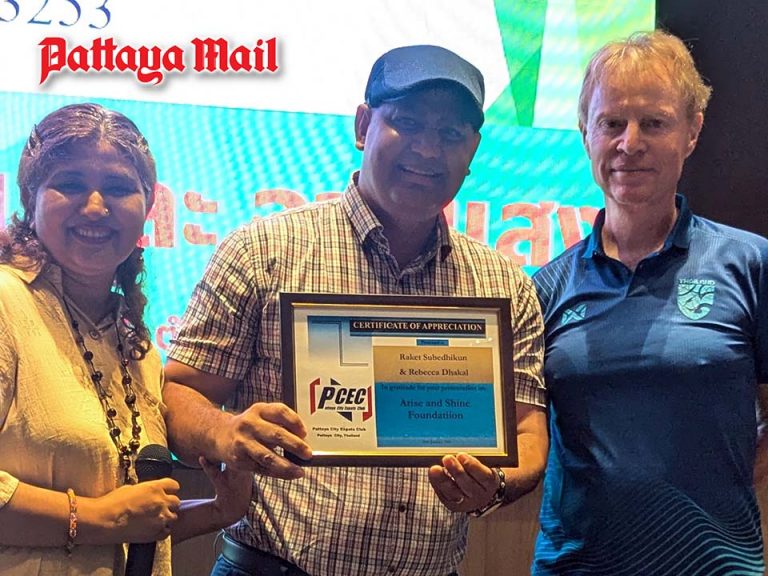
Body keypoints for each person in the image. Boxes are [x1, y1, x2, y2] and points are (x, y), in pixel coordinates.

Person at [163, 44, 549, 576]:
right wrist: (224, 433)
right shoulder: (261, 251)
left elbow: (527, 432)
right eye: (406, 123)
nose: (428, 149)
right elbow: (180, 393)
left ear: (472, 150)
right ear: (364, 126)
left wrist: (497, 485)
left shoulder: (504, 285)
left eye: (450, 134)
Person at [531, 30, 768, 575]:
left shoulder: (751, 264)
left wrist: (716, 484)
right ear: (585, 134)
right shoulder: (546, 287)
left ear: (693, 131)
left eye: (655, 123)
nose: (629, 143)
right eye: (611, 122)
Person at [0, 103, 251, 575]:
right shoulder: (6, 303)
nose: (96, 206)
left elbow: (129, 526)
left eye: (118, 188)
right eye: (70, 184)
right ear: (30, 197)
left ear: (148, 206)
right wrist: (100, 517)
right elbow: (109, 520)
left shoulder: (133, 341)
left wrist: (219, 511)